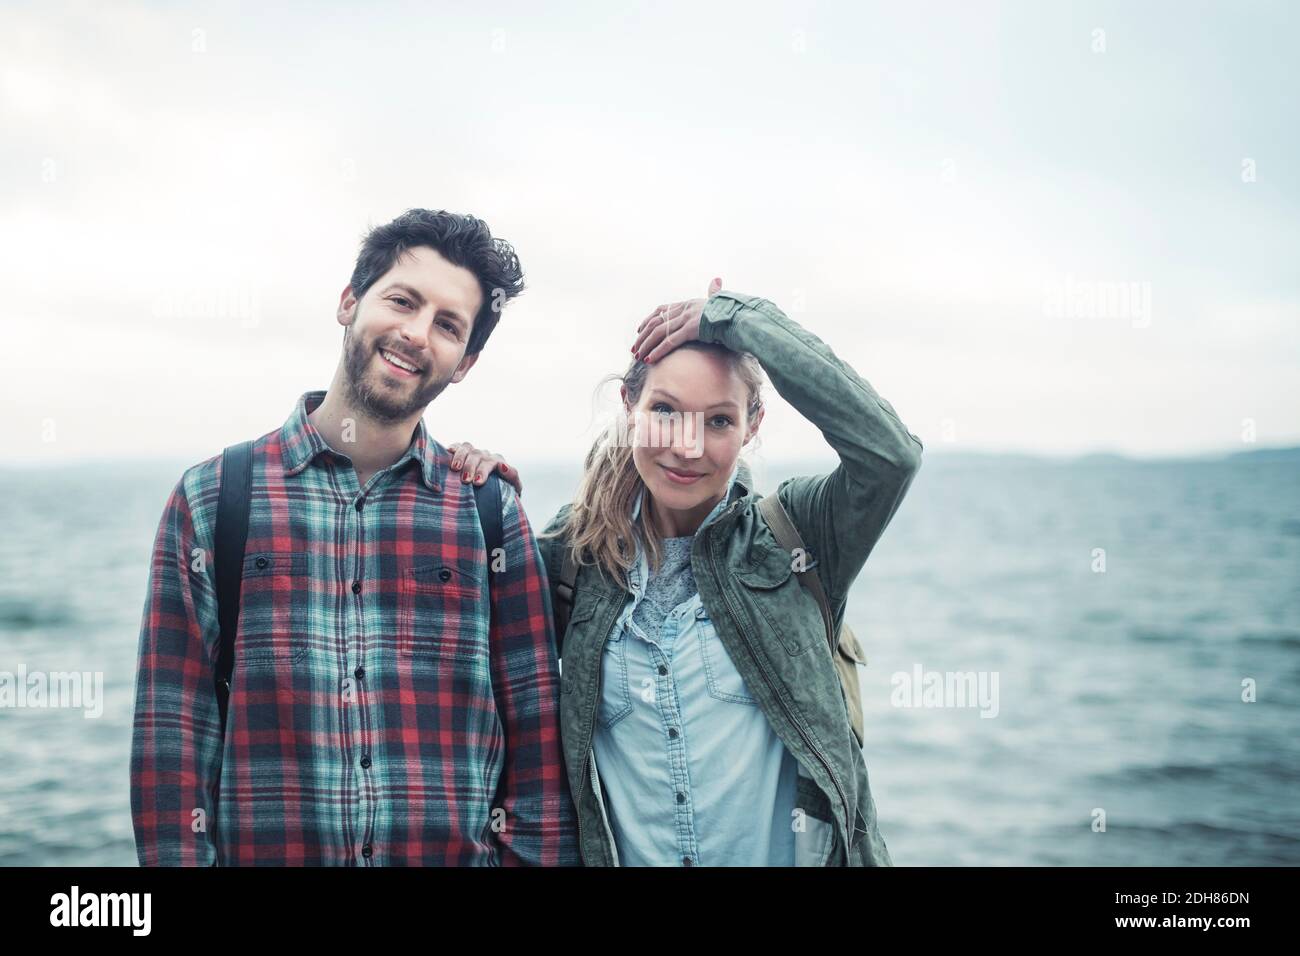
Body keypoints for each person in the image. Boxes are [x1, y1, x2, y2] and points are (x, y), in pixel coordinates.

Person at [130, 208, 579, 866]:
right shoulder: (212, 501)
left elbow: (538, 752)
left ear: (466, 363)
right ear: (349, 302)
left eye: (448, 325)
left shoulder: (489, 515)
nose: (417, 334)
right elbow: (172, 746)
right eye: (402, 300)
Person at [454, 278, 923, 865]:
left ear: (752, 426)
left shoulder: (800, 538)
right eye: (665, 411)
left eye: (719, 422)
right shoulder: (571, 555)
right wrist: (471, 485)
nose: (688, 447)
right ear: (630, 408)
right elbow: (465, 669)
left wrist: (736, 319)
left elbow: (891, 454)